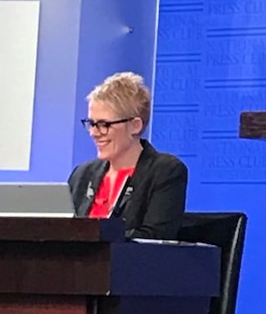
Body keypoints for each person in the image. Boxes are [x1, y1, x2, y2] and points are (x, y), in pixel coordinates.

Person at [68, 72, 187, 239]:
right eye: (91, 124)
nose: (94, 133)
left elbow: (154, 238)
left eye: (103, 124)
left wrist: (93, 238)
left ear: (135, 126)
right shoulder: (82, 174)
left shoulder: (165, 171)